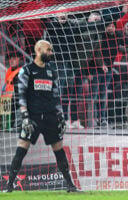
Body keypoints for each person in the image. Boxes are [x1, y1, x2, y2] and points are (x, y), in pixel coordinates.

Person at [5, 40, 79, 193]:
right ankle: (9, 186)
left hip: (51, 116)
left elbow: (56, 96)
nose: (51, 52)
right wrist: (25, 116)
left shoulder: (52, 71)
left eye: (51, 50)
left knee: (59, 150)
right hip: (33, 117)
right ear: (38, 50)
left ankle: (70, 186)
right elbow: (21, 96)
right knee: (21, 148)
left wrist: (61, 116)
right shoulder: (26, 70)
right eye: (49, 50)